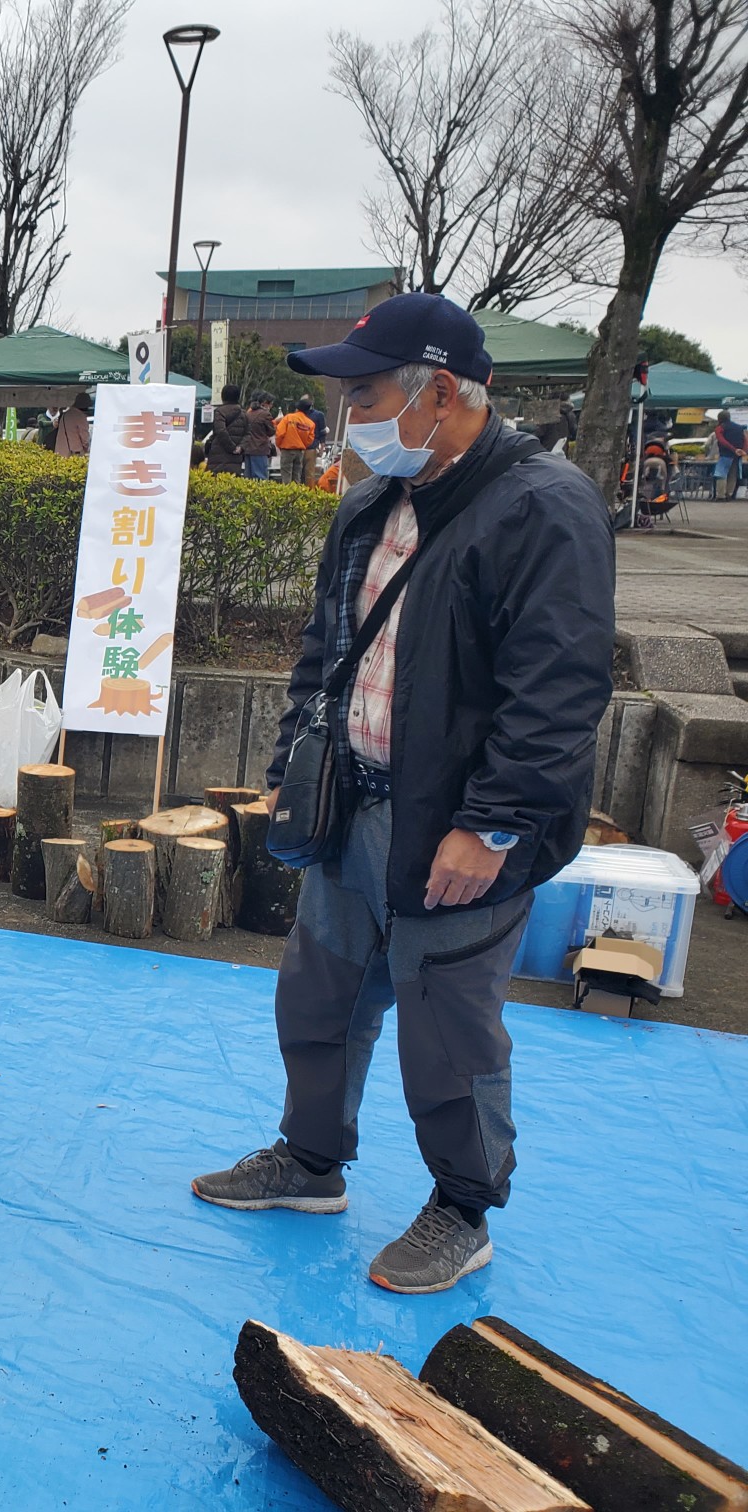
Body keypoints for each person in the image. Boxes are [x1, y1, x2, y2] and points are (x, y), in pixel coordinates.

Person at [191, 293, 614, 1293]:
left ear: (439, 395)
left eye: (366, 393)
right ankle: (310, 1159)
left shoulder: (543, 507)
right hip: (354, 806)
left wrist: (494, 826)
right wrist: (296, 754)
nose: (350, 414)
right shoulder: (372, 499)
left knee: (448, 1025)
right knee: (321, 993)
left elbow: (557, 692)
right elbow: (324, 649)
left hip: (461, 828)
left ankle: (462, 1207)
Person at [205, 384, 247, 473]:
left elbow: (220, 431)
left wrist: (231, 448)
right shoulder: (244, 414)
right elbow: (248, 434)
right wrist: (240, 447)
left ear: (223, 396)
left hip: (219, 456)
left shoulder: (220, 412)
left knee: (217, 482)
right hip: (236, 457)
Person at [274, 399, 318, 485]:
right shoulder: (310, 423)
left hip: (287, 450)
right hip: (300, 452)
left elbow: (279, 433)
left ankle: (287, 496)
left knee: (286, 476)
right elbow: (310, 440)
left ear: (297, 408)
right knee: (297, 476)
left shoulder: (288, 418)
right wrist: (302, 445)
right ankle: (296, 495)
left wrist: (280, 445)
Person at [242, 391, 278, 479]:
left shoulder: (248, 413)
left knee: (248, 478)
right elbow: (271, 431)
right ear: (265, 402)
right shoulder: (265, 414)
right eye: (271, 404)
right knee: (260, 477)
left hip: (247, 449)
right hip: (260, 449)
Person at [716, 408, 745, 499]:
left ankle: (721, 495)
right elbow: (745, 440)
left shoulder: (720, 428)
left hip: (725, 454)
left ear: (719, 418)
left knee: (721, 474)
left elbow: (722, 440)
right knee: (733, 474)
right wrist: (743, 450)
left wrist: (733, 449)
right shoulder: (739, 427)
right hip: (737, 455)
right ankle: (729, 494)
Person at [53, 393, 92, 457]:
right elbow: (85, 438)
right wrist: (86, 448)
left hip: (60, 452)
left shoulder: (65, 415)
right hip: (74, 453)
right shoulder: (80, 416)